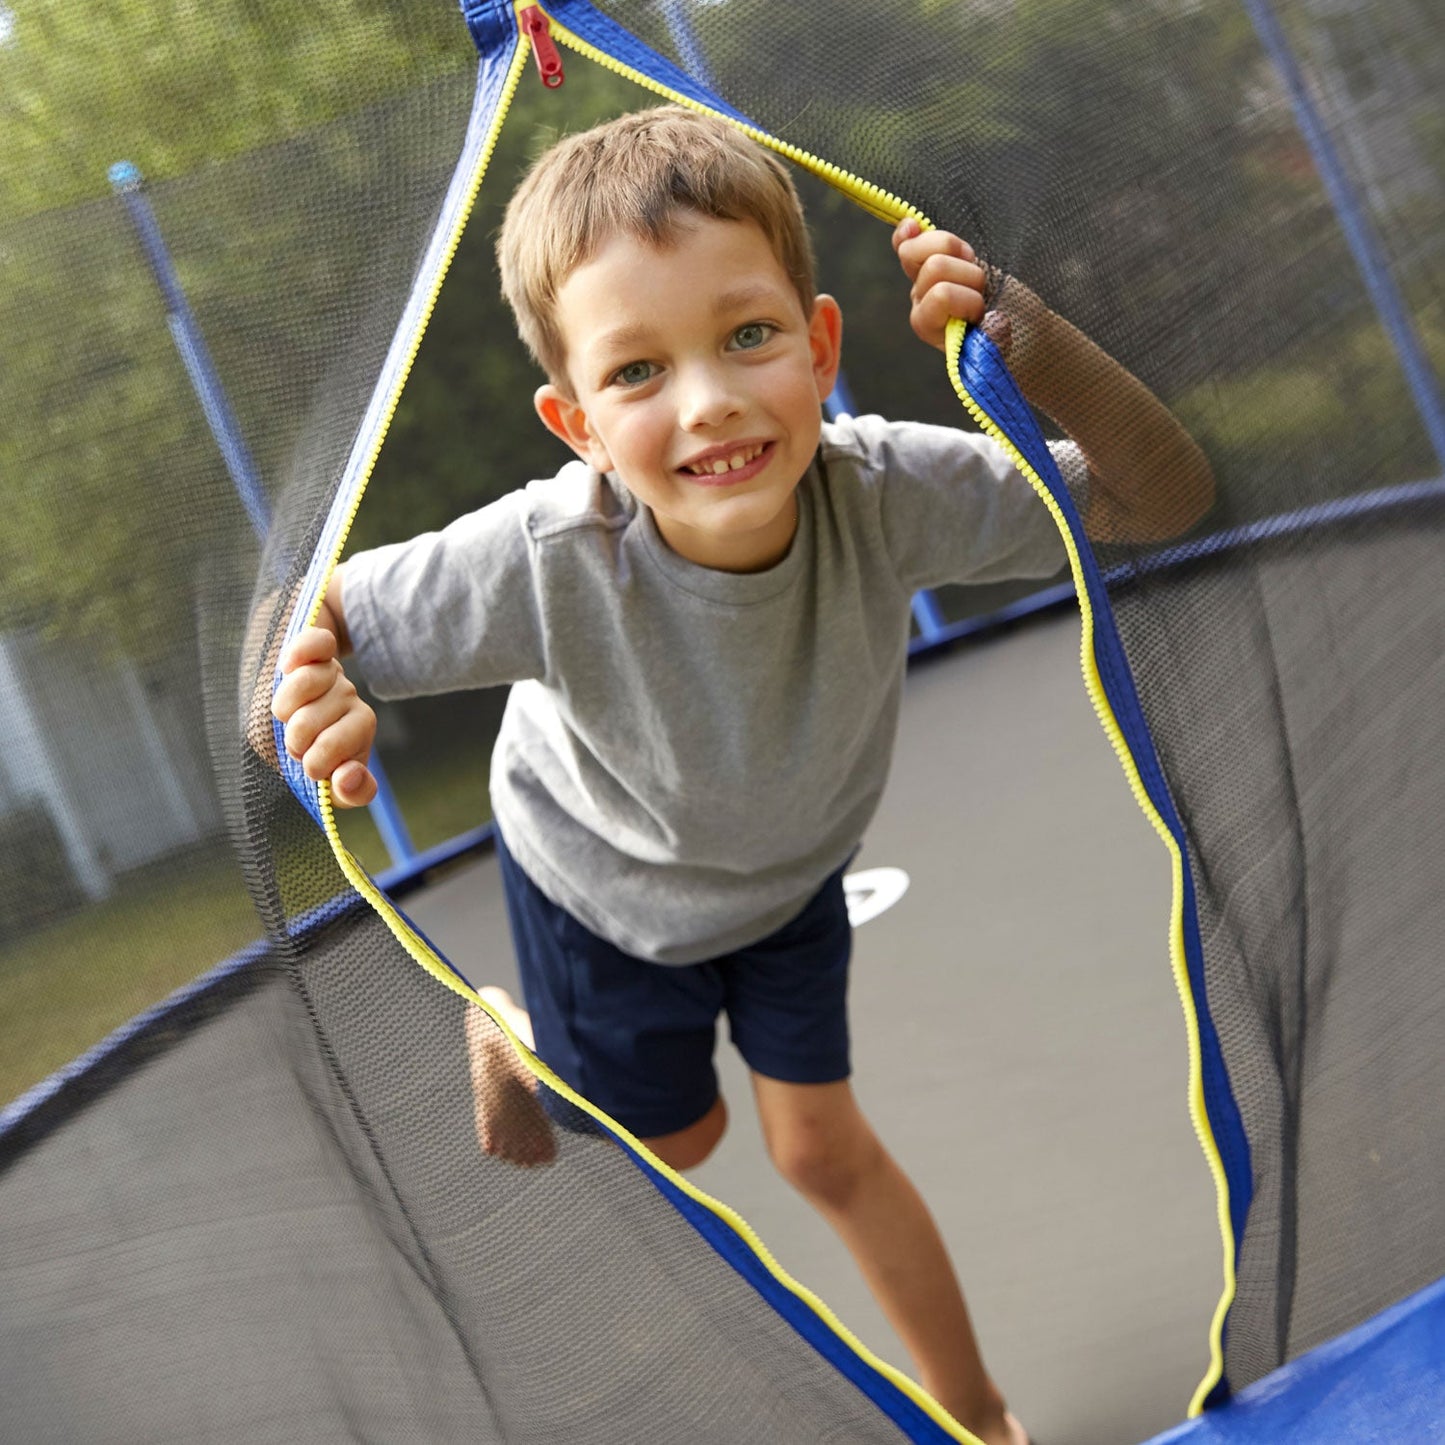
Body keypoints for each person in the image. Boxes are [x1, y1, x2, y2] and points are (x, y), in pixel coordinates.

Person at [270, 107, 1213, 1445]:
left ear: (820, 347)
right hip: (604, 888)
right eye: (638, 371)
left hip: (788, 876)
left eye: (748, 337)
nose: (708, 398)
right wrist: (300, 707)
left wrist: (1034, 342)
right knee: (685, 1142)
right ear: (578, 425)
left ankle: (982, 1422)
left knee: (826, 1151)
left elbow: (1159, 499)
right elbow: (296, 627)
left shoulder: (884, 490)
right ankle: (512, 1036)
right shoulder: (543, 554)